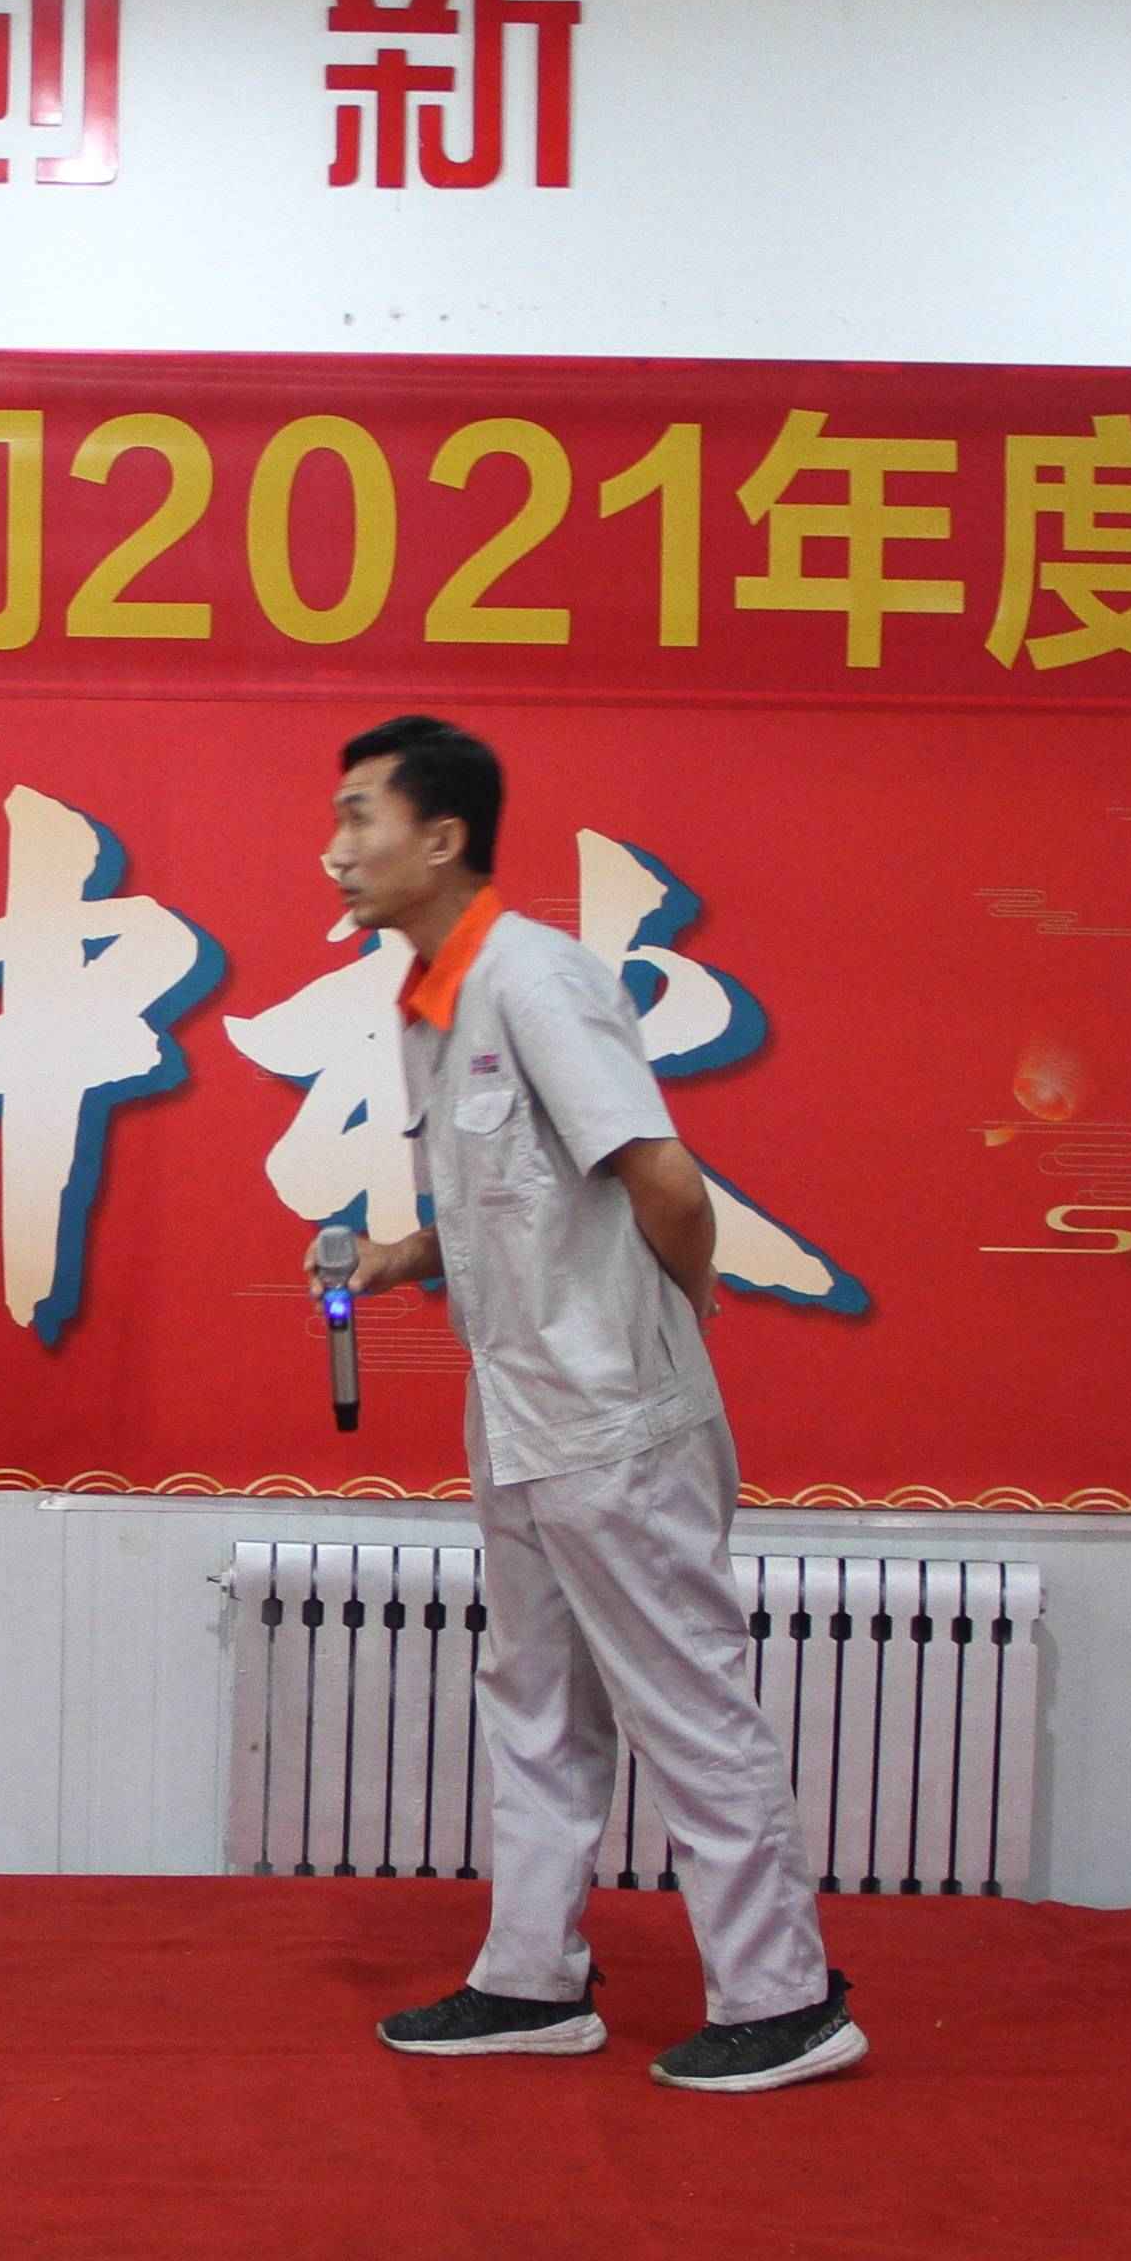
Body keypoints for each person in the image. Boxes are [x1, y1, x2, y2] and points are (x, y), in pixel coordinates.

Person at [313, 715, 866, 2094]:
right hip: (520, 1413)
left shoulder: (535, 975)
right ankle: (532, 1980)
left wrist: (666, 1328)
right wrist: (401, 1256)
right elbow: (518, 1205)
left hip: (613, 1415)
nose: (335, 850)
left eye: (360, 816)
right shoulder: (432, 1002)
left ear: (442, 836)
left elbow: (661, 1180)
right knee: (536, 1700)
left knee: (683, 1693)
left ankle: (786, 1998)